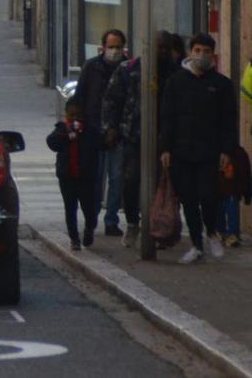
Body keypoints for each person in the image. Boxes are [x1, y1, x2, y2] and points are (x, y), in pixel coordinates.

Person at [159, 33, 240, 264]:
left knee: (208, 195)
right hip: (181, 151)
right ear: (190, 52)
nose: (201, 56)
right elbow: (168, 117)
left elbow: (228, 120)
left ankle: (212, 231)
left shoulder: (221, 85)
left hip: (209, 151)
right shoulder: (176, 82)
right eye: (197, 51)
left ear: (212, 54)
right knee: (189, 198)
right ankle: (196, 244)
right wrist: (165, 148)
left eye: (206, 51)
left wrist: (227, 150)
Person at [101, 30, 184, 248]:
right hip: (134, 136)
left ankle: (161, 228)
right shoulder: (129, 70)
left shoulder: (175, 74)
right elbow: (112, 99)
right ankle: (132, 223)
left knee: (163, 185)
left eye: (167, 48)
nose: (163, 52)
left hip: (166, 140)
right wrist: (111, 128)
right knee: (130, 180)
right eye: (159, 47)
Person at [75, 29, 128, 239]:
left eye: (118, 47)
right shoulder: (92, 67)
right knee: (95, 179)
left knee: (116, 179)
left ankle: (111, 220)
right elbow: (81, 96)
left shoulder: (127, 69)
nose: (114, 51)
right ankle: (91, 218)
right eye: (110, 46)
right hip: (94, 132)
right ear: (103, 47)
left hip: (117, 133)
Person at [47, 96, 99, 250]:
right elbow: (52, 142)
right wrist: (67, 135)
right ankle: (74, 238)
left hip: (85, 177)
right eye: (71, 116)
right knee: (70, 208)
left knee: (89, 207)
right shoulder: (62, 129)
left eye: (78, 116)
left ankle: (89, 229)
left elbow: (100, 142)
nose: (75, 119)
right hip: (67, 176)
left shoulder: (90, 130)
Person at [217, 146, 251, 247]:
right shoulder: (215, 150)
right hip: (221, 190)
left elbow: (245, 174)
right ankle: (226, 234)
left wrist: (246, 193)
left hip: (231, 190)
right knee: (222, 212)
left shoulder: (238, 153)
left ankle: (231, 235)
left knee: (230, 211)